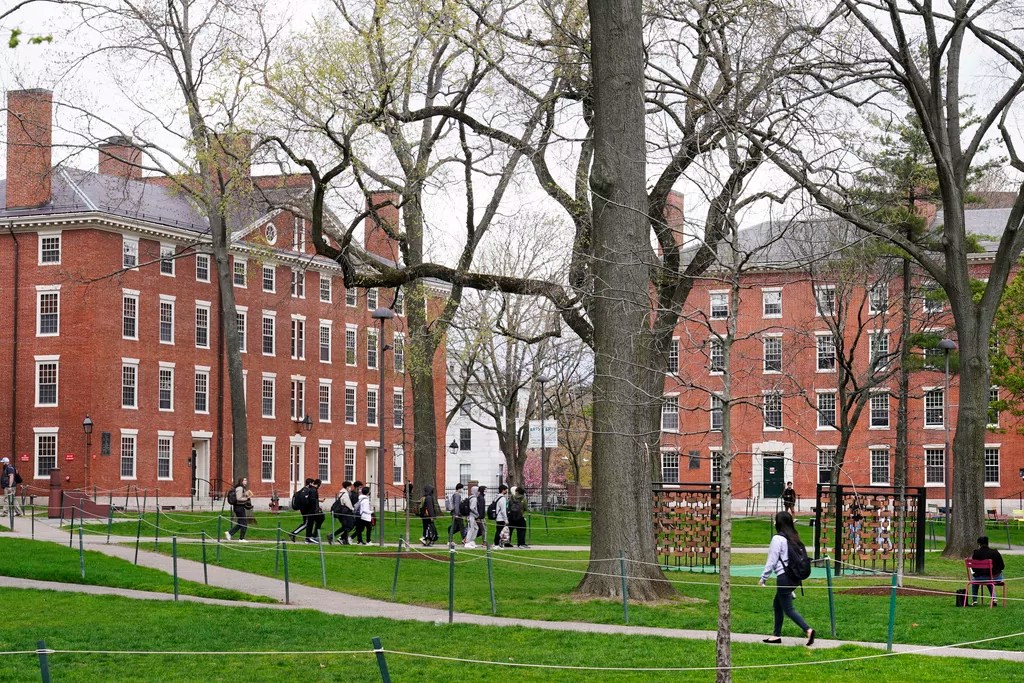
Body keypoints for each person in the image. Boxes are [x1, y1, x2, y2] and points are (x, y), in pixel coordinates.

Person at [759, 511, 814, 646]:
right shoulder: (794, 537)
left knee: (788, 609)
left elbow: (772, 560)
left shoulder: (778, 539)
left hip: (784, 577)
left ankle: (808, 630)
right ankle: (776, 635)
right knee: (777, 604)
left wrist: (763, 578)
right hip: (794, 577)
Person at [970, 536, 1006, 606]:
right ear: (987, 543)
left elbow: (974, 569)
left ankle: (974, 600)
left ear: (979, 544)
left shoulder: (976, 553)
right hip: (994, 578)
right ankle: (994, 599)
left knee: (976, 580)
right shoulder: (995, 552)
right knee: (990, 578)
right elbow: (1002, 566)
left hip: (979, 578)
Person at [225, 477, 251, 542]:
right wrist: (247, 498)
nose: (246, 481)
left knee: (240, 523)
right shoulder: (240, 488)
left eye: (246, 480)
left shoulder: (242, 488)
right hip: (239, 507)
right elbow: (239, 498)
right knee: (244, 523)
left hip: (240, 507)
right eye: (245, 480)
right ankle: (241, 538)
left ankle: (229, 533)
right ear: (241, 481)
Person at [305, 479, 326, 543]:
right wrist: (317, 508)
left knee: (310, 523)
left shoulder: (310, 489)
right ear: (318, 484)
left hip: (309, 509)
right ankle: (313, 536)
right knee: (321, 518)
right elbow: (313, 500)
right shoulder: (314, 490)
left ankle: (309, 537)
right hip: (313, 510)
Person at [492, 484, 509, 548]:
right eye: (506, 490)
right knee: (500, 532)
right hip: (501, 518)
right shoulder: (502, 499)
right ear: (503, 490)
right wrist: (506, 519)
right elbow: (503, 510)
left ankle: (496, 543)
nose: (506, 491)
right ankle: (496, 544)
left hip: (497, 516)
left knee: (498, 531)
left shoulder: (496, 497)